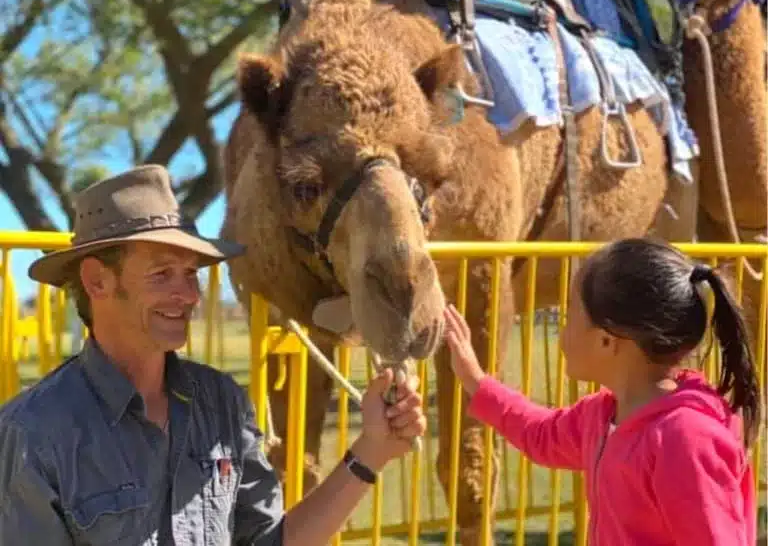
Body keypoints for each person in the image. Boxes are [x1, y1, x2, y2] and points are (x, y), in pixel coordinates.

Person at [0, 164, 427, 545]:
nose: (188, 295)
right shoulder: (33, 434)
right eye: (162, 274)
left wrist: (372, 450)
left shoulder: (221, 402)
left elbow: (269, 541)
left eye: (191, 274)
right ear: (96, 281)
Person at [443, 237, 761, 546]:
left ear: (607, 341)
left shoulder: (686, 440)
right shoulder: (602, 415)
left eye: (569, 318)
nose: (562, 333)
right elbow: (539, 434)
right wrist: (475, 380)